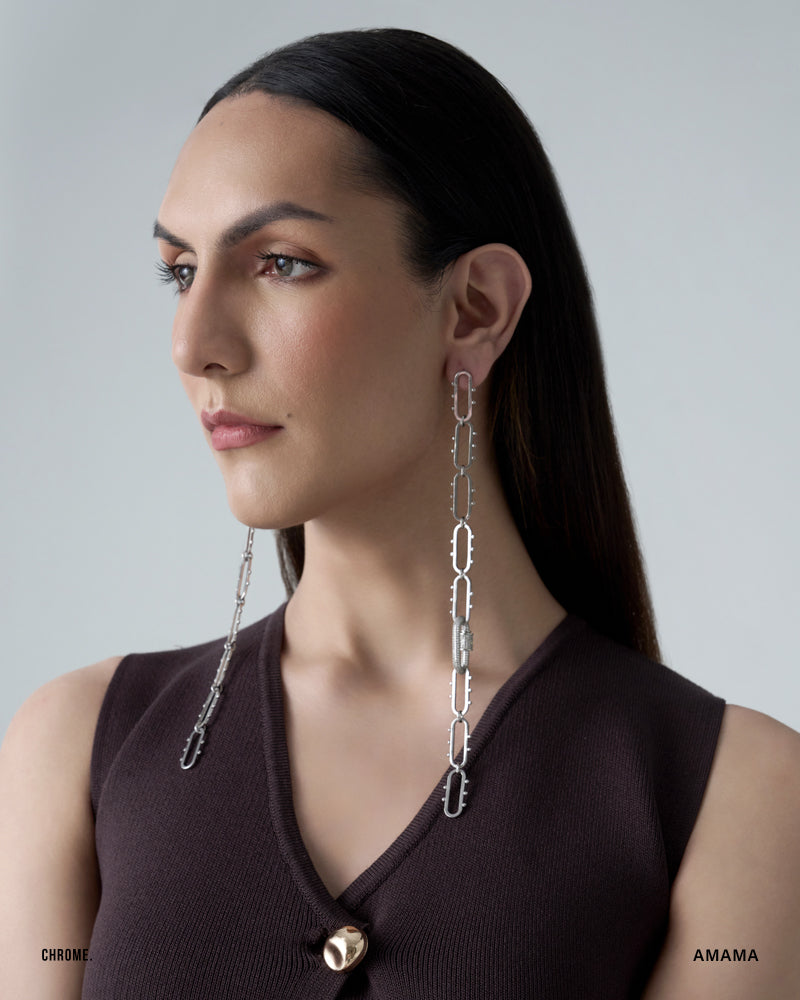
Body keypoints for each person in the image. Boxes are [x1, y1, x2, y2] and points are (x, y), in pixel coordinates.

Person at [1, 27, 798, 999]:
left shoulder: (736, 796)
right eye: (180, 270)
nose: (192, 342)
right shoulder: (76, 750)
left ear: (474, 308)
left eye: (279, 262)